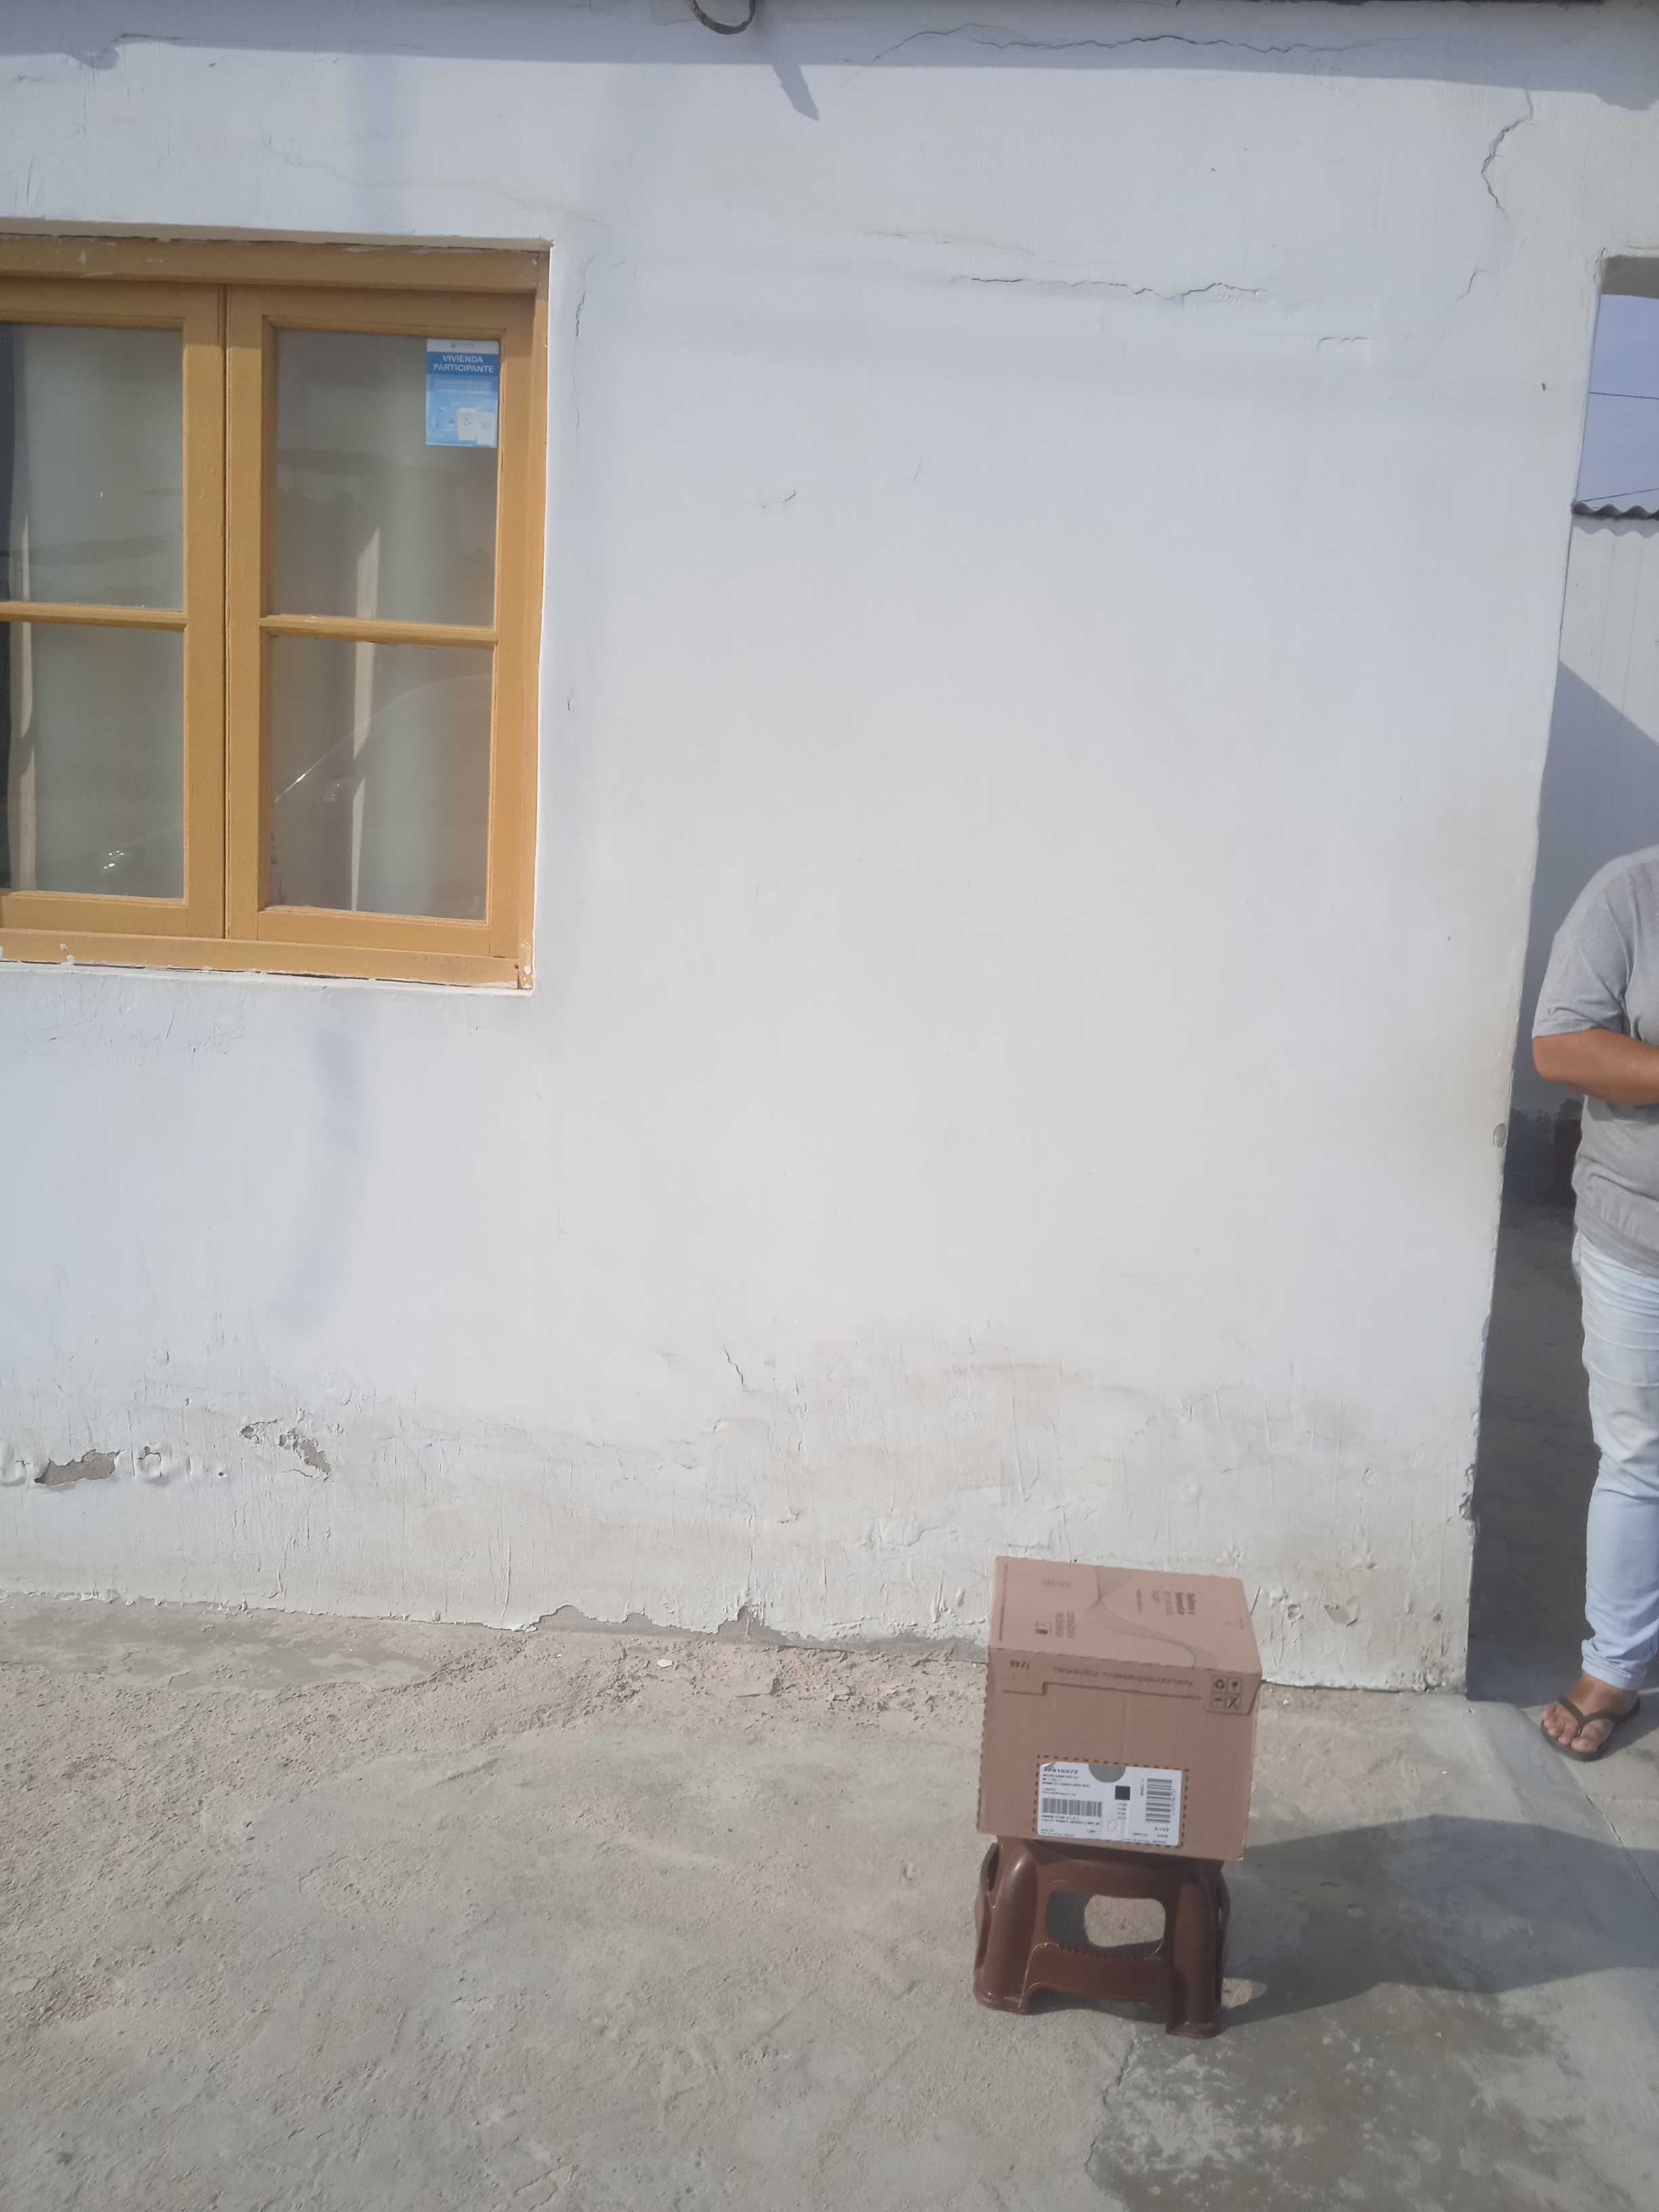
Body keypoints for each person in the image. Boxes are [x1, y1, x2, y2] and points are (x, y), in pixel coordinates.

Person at [1532, 846, 1659, 1758]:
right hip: (1642, 1238)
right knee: (1641, 1454)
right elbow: (1563, 1044)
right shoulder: (1633, 893)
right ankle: (1616, 1665)